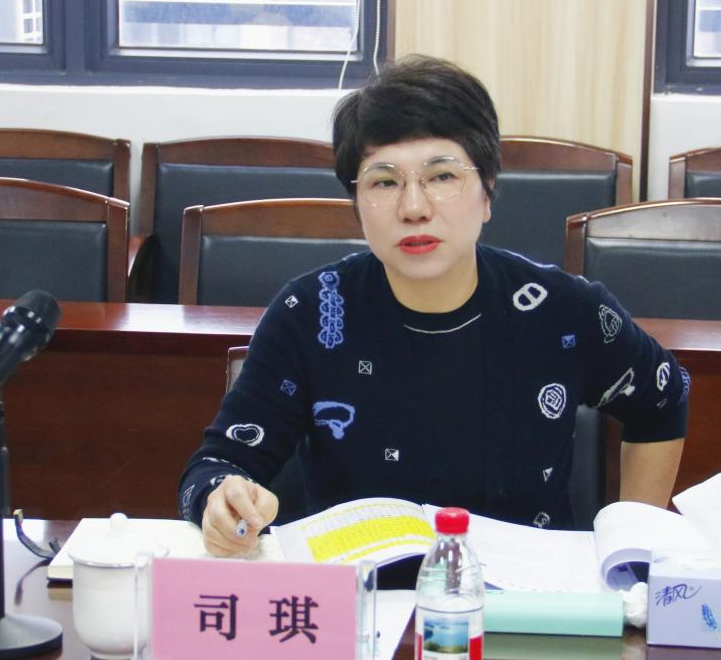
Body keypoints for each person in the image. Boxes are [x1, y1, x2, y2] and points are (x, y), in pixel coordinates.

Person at [179, 55, 688, 557]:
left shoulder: (562, 310)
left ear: (487, 193)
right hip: (364, 598)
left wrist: (631, 550)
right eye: (384, 182)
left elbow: (662, 401)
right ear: (356, 204)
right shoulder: (309, 314)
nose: (414, 208)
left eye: (442, 177)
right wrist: (223, 501)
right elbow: (216, 466)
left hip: (524, 600)